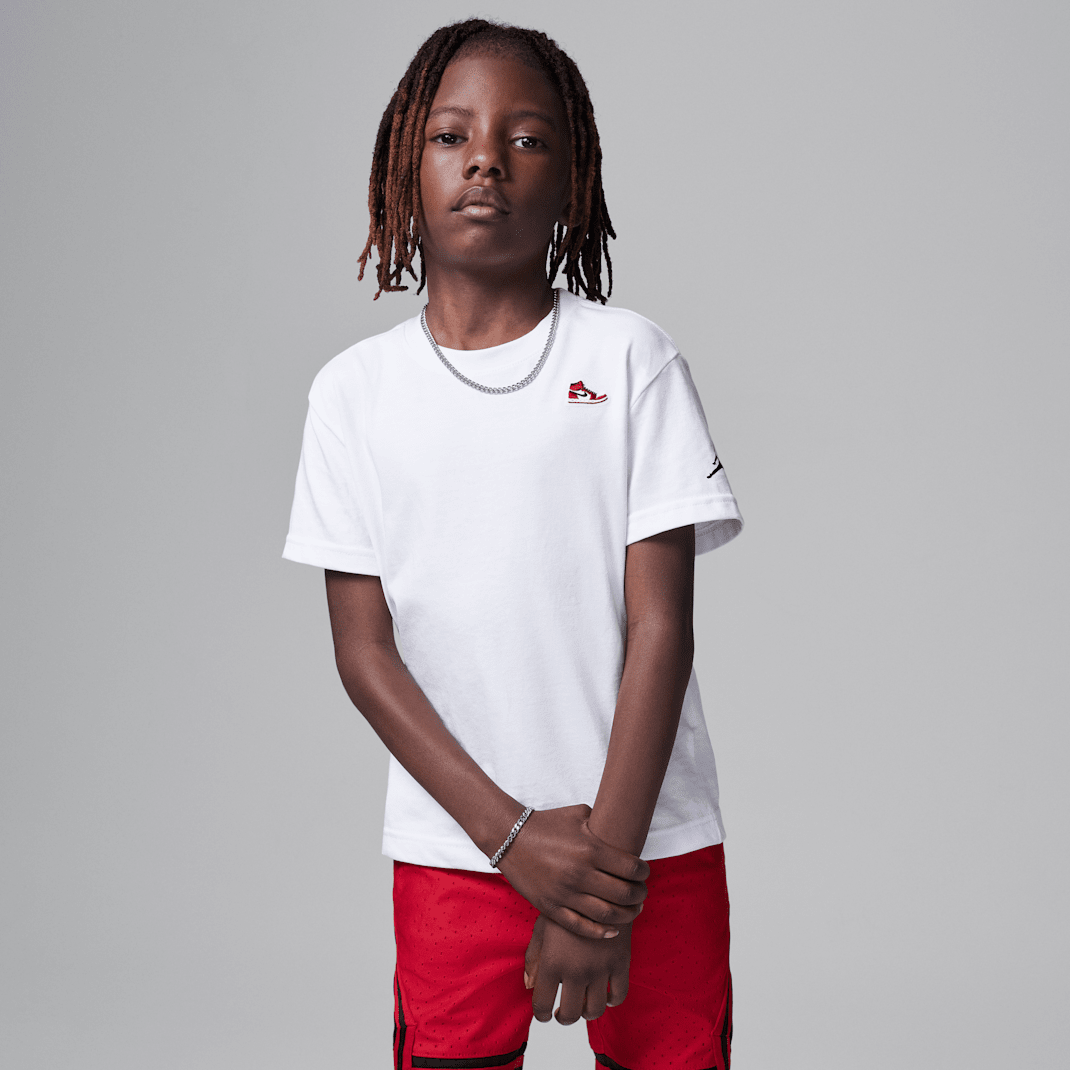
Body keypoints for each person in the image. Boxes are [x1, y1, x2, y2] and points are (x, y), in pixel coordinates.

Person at [283, 18, 743, 1070]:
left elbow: (661, 629)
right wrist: (511, 838)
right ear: (403, 171)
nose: (485, 158)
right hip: (457, 851)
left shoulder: (631, 361)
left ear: (572, 180)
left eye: (525, 138)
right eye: (450, 136)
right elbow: (364, 654)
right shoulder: (353, 394)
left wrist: (600, 878)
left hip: (649, 848)